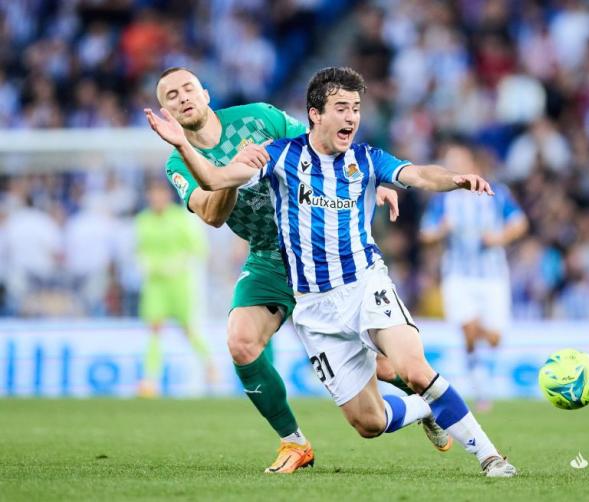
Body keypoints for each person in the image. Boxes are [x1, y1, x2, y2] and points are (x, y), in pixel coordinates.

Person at [146, 66, 517, 477]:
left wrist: (382, 181)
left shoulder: (260, 120)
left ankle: (486, 452)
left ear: (206, 93)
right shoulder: (181, 164)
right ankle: (296, 441)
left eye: (188, 89)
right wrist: (196, 151)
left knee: (400, 369)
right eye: (171, 95)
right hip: (275, 259)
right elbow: (213, 212)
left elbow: (322, 148)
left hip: (349, 268)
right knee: (245, 346)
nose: (182, 98)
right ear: (165, 110)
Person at [421, 140, 528, 411]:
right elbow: (426, 234)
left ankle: (480, 373)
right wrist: (441, 231)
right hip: (458, 274)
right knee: (467, 329)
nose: (453, 167)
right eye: (450, 163)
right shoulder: (443, 200)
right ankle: (481, 389)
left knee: (494, 338)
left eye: (458, 162)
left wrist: (500, 236)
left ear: (471, 165)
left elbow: (519, 223)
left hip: (492, 276)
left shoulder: (496, 193)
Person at [135, 180, 216, 396]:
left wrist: (179, 263)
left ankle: (210, 364)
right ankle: (149, 380)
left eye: (159, 194)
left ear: (168, 196)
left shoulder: (180, 218)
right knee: (154, 329)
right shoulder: (143, 220)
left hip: (179, 283)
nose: (156, 199)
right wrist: (146, 263)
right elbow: (140, 249)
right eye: (152, 194)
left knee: (188, 330)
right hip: (155, 284)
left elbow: (198, 249)